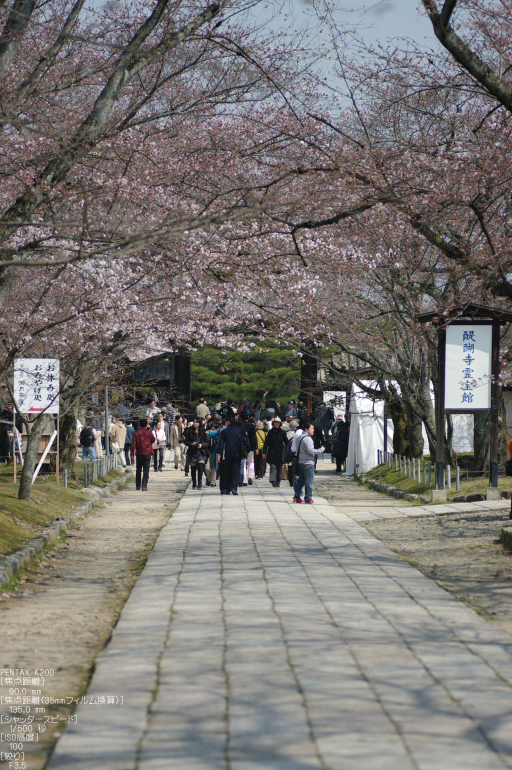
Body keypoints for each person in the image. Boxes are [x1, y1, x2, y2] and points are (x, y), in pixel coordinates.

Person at [293, 421, 325, 504]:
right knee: (308, 481)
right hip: (308, 462)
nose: (313, 430)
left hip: (300, 461)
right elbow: (311, 451)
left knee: (300, 480)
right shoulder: (308, 439)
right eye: (312, 429)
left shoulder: (299, 437)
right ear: (307, 429)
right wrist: (321, 449)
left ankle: (297, 496)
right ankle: (308, 498)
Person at [217, 415, 250, 495]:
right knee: (236, 471)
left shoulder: (224, 431)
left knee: (226, 471)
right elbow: (246, 441)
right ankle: (234, 488)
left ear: (228, 422)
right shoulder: (240, 430)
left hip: (226, 454)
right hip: (237, 453)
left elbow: (221, 444)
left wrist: (219, 454)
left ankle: (226, 489)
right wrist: (248, 451)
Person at [263, 416, 288, 487]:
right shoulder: (271, 432)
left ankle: (278, 481)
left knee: (279, 468)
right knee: (273, 466)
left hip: (280, 452)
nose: (277, 424)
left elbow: (286, 442)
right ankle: (273, 480)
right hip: (272, 451)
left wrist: (287, 451)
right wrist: (264, 452)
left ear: (280, 424)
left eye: (278, 423)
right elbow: (266, 442)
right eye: (275, 422)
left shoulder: (283, 432)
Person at [185, 419, 209, 489]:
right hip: (193, 452)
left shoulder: (204, 431)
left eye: (196, 422)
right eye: (194, 422)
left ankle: (199, 483)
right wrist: (191, 443)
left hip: (201, 452)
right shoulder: (190, 431)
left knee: (201, 467)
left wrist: (202, 445)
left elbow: (207, 442)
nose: (194, 423)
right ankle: (194, 483)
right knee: (193, 468)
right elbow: (186, 441)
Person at [131, 419, 154, 491]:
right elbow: (153, 440)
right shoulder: (149, 433)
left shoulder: (137, 433)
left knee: (138, 469)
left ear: (140, 425)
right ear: (147, 425)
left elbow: (133, 444)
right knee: (146, 470)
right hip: (147, 453)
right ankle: (144, 486)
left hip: (139, 453)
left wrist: (132, 454)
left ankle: (138, 485)